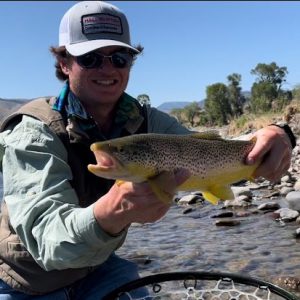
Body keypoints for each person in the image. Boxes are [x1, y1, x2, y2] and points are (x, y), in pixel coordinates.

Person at [0, 1, 296, 299]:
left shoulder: (146, 121)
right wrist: (109, 215)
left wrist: (277, 135)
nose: (107, 68)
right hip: (25, 280)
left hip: (98, 267)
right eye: (90, 58)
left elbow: (216, 151)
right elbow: (48, 243)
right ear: (64, 63)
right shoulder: (31, 131)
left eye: (120, 57)